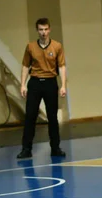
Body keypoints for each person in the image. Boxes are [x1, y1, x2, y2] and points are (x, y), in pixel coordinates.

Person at [17, 18, 67, 159]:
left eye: (46, 29)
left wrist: (63, 85)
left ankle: (55, 148)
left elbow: (62, 66)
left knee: (52, 117)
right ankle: (26, 149)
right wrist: (23, 84)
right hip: (35, 83)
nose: (43, 32)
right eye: (41, 29)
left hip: (51, 83)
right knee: (30, 116)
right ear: (37, 30)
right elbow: (25, 66)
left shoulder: (57, 46)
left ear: (49, 29)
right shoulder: (31, 47)